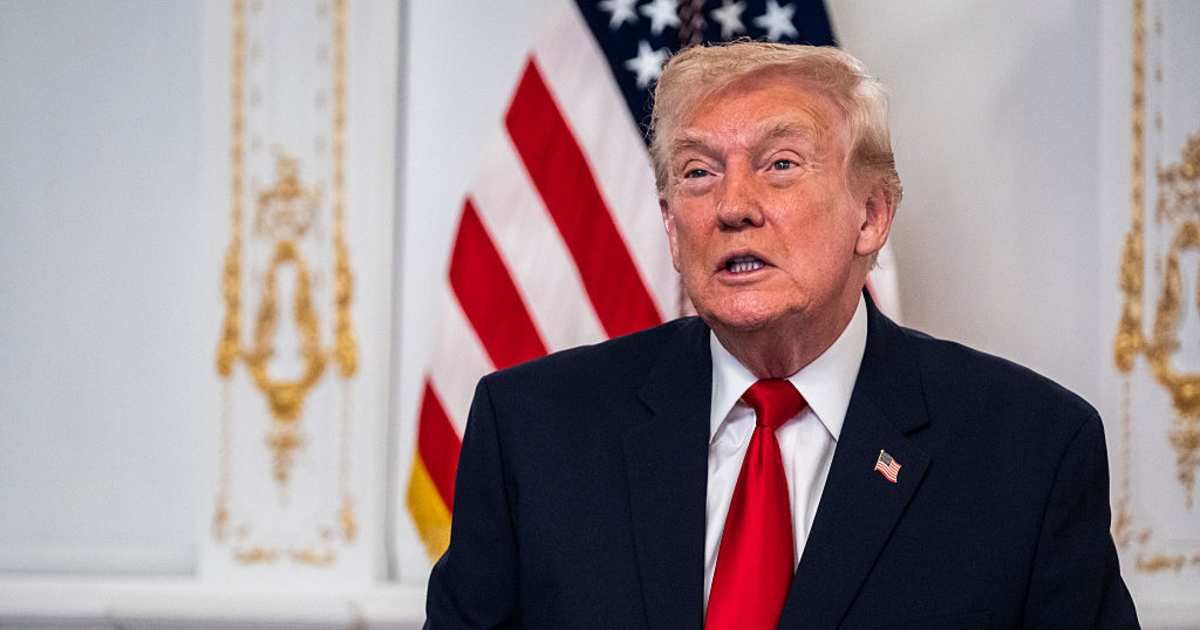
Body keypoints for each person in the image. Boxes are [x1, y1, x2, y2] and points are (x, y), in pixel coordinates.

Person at [424, 42, 1139, 629]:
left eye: (781, 165)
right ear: (673, 231)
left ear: (872, 216)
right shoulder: (534, 429)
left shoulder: (1030, 451)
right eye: (699, 173)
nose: (733, 206)